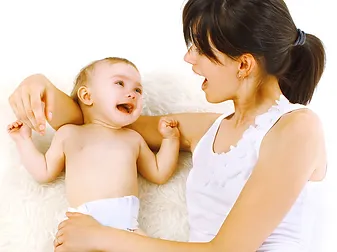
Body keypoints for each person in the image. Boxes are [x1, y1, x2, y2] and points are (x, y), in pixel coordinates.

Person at [8, 0, 327, 251]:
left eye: (201, 49)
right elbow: (99, 123)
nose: (189, 58)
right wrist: (41, 86)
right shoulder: (208, 130)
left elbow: (228, 250)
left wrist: (103, 237)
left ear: (243, 64)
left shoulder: (297, 128)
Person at [7, 57, 180, 236]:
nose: (133, 94)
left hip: (127, 229)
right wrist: (23, 141)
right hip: (81, 230)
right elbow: (43, 172)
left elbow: (159, 173)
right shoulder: (69, 134)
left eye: (138, 89)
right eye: (120, 83)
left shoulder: (133, 138)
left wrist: (170, 140)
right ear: (87, 96)